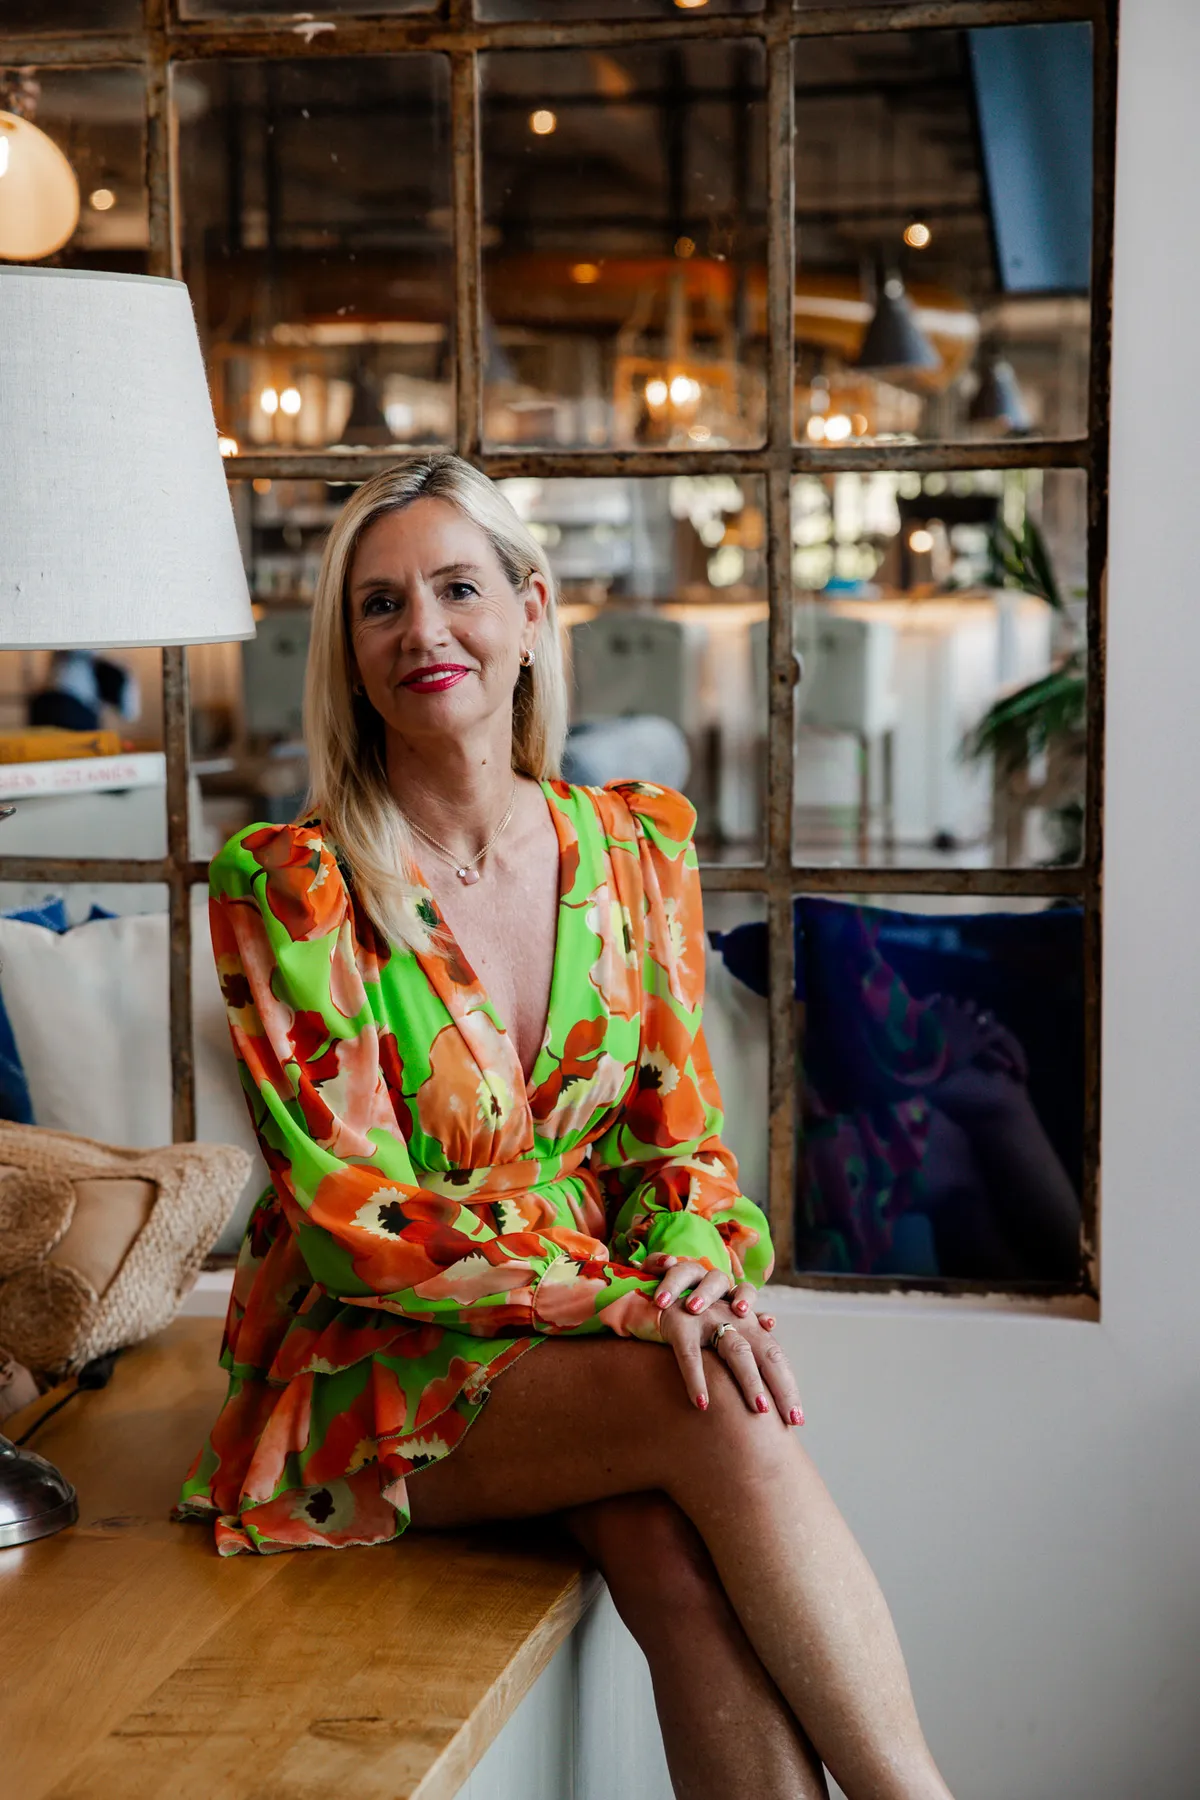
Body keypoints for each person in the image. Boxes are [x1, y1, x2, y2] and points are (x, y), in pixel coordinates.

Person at [175, 454, 956, 1800]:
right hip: (371, 1360)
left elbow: (677, 1146)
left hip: (579, 1338)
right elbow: (357, 1219)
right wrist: (632, 1308)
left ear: (531, 612)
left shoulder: (637, 851)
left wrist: (696, 1270)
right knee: (717, 1408)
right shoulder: (293, 883)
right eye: (379, 605)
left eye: (457, 589)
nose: (422, 630)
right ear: (347, 652)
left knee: (669, 1556)